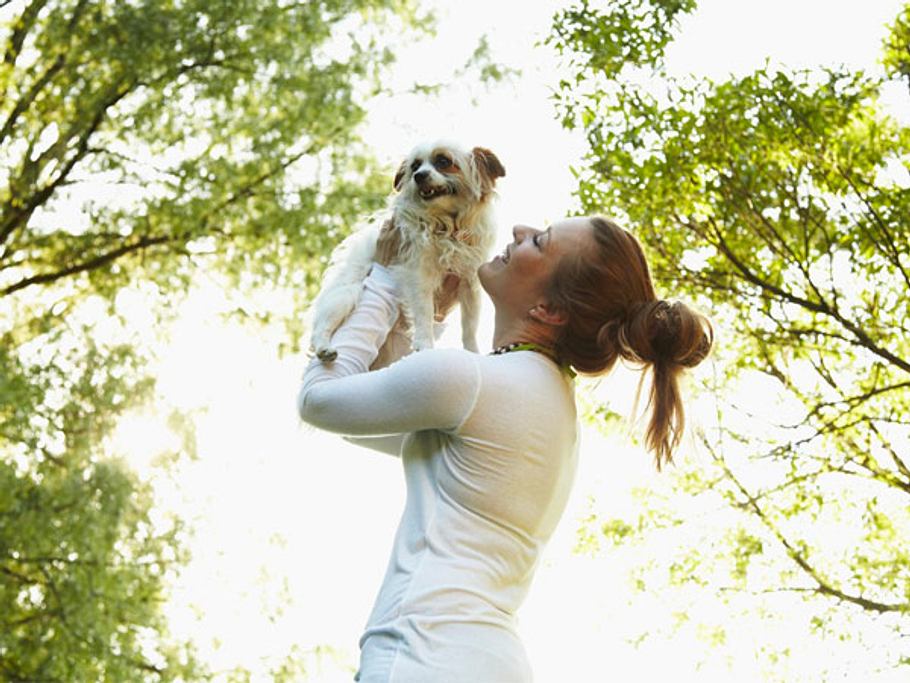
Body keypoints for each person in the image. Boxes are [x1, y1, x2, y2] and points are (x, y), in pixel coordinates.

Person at [298, 215, 713, 682]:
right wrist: (424, 309)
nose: (519, 229)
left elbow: (321, 401)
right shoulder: (546, 403)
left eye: (541, 240)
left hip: (423, 655)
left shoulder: (473, 383)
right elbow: (366, 418)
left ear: (550, 311)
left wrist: (386, 278)